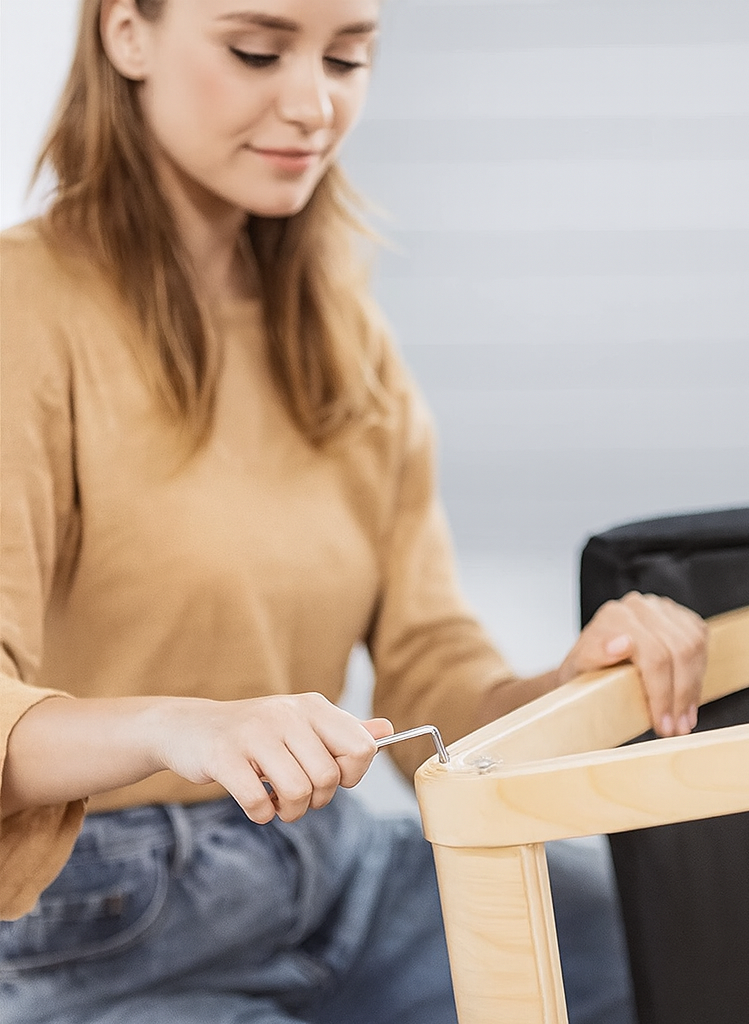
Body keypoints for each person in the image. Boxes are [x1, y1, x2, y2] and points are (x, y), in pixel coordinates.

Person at [0, 1, 707, 1021]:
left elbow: (430, 674)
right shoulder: (25, 310)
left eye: (347, 58)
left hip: (338, 869)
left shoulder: (341, 329)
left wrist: (568, 684)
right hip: (102, 922)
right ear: (127, 34)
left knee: (674, 945)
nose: (313, 105)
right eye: (256, 51)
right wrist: (178, 725)